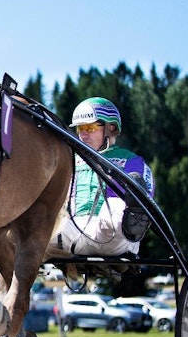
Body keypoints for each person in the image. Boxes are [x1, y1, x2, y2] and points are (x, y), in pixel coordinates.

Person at [49, 97, 154, 257]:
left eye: (89, 127)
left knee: (116, 206)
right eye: (80, 128)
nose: (83, 133)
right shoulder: (72, 160)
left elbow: (147, 198)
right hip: (72, 230)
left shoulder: (131, 161)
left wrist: (110, 176)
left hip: (113, 235)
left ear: (111, 128)